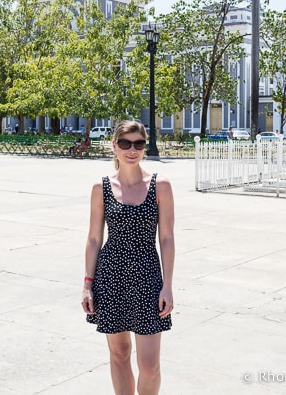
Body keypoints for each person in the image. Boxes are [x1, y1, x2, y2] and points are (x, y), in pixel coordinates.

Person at [82, 120, 175, 394]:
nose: (131, 150)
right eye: (125, 144)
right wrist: (87, 284)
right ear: (114, 146)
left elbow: (167, 238)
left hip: (148, 277)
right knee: (119, 355)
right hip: (110, 277)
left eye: (138, 144)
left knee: (149, 365)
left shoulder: (161, 186)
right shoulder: (101, 188)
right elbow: (94, 239)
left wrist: (167, 284)